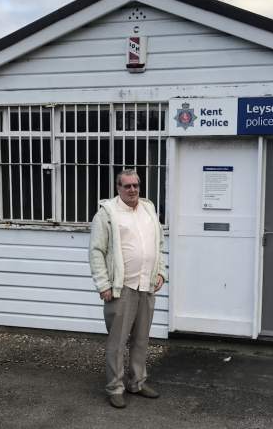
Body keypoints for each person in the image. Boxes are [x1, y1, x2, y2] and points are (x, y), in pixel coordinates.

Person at [89, 169, 167, 409]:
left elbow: (159, 244)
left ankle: (137, 382)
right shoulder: (107, 214)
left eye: (136, 185)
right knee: (118, 342)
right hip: (120, 289)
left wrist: (161, 272)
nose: (132, 190)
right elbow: (96, 252)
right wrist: (103, 284)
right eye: (127, 186)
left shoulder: (148, 209)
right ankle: (115, 387)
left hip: (146, 285)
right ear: (118, 188)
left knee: (141, 340)